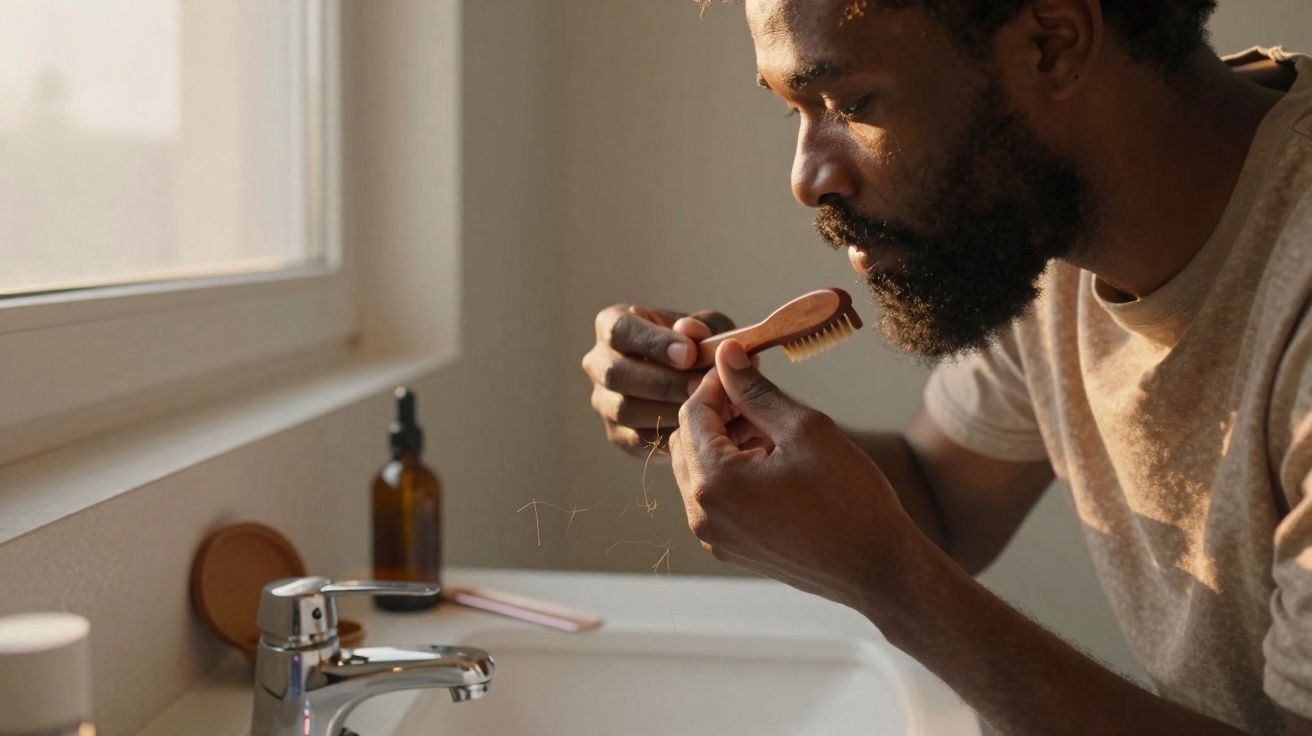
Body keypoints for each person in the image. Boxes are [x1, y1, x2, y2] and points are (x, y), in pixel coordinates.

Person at [579, 1, 1312, 733]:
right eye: (792, 109)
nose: (807, 178)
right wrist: (728, 420)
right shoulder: (1047, 211)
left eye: (850, 103)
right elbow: (941, 497)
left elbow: (910, 544)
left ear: (1052, 43)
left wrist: (890, 579)